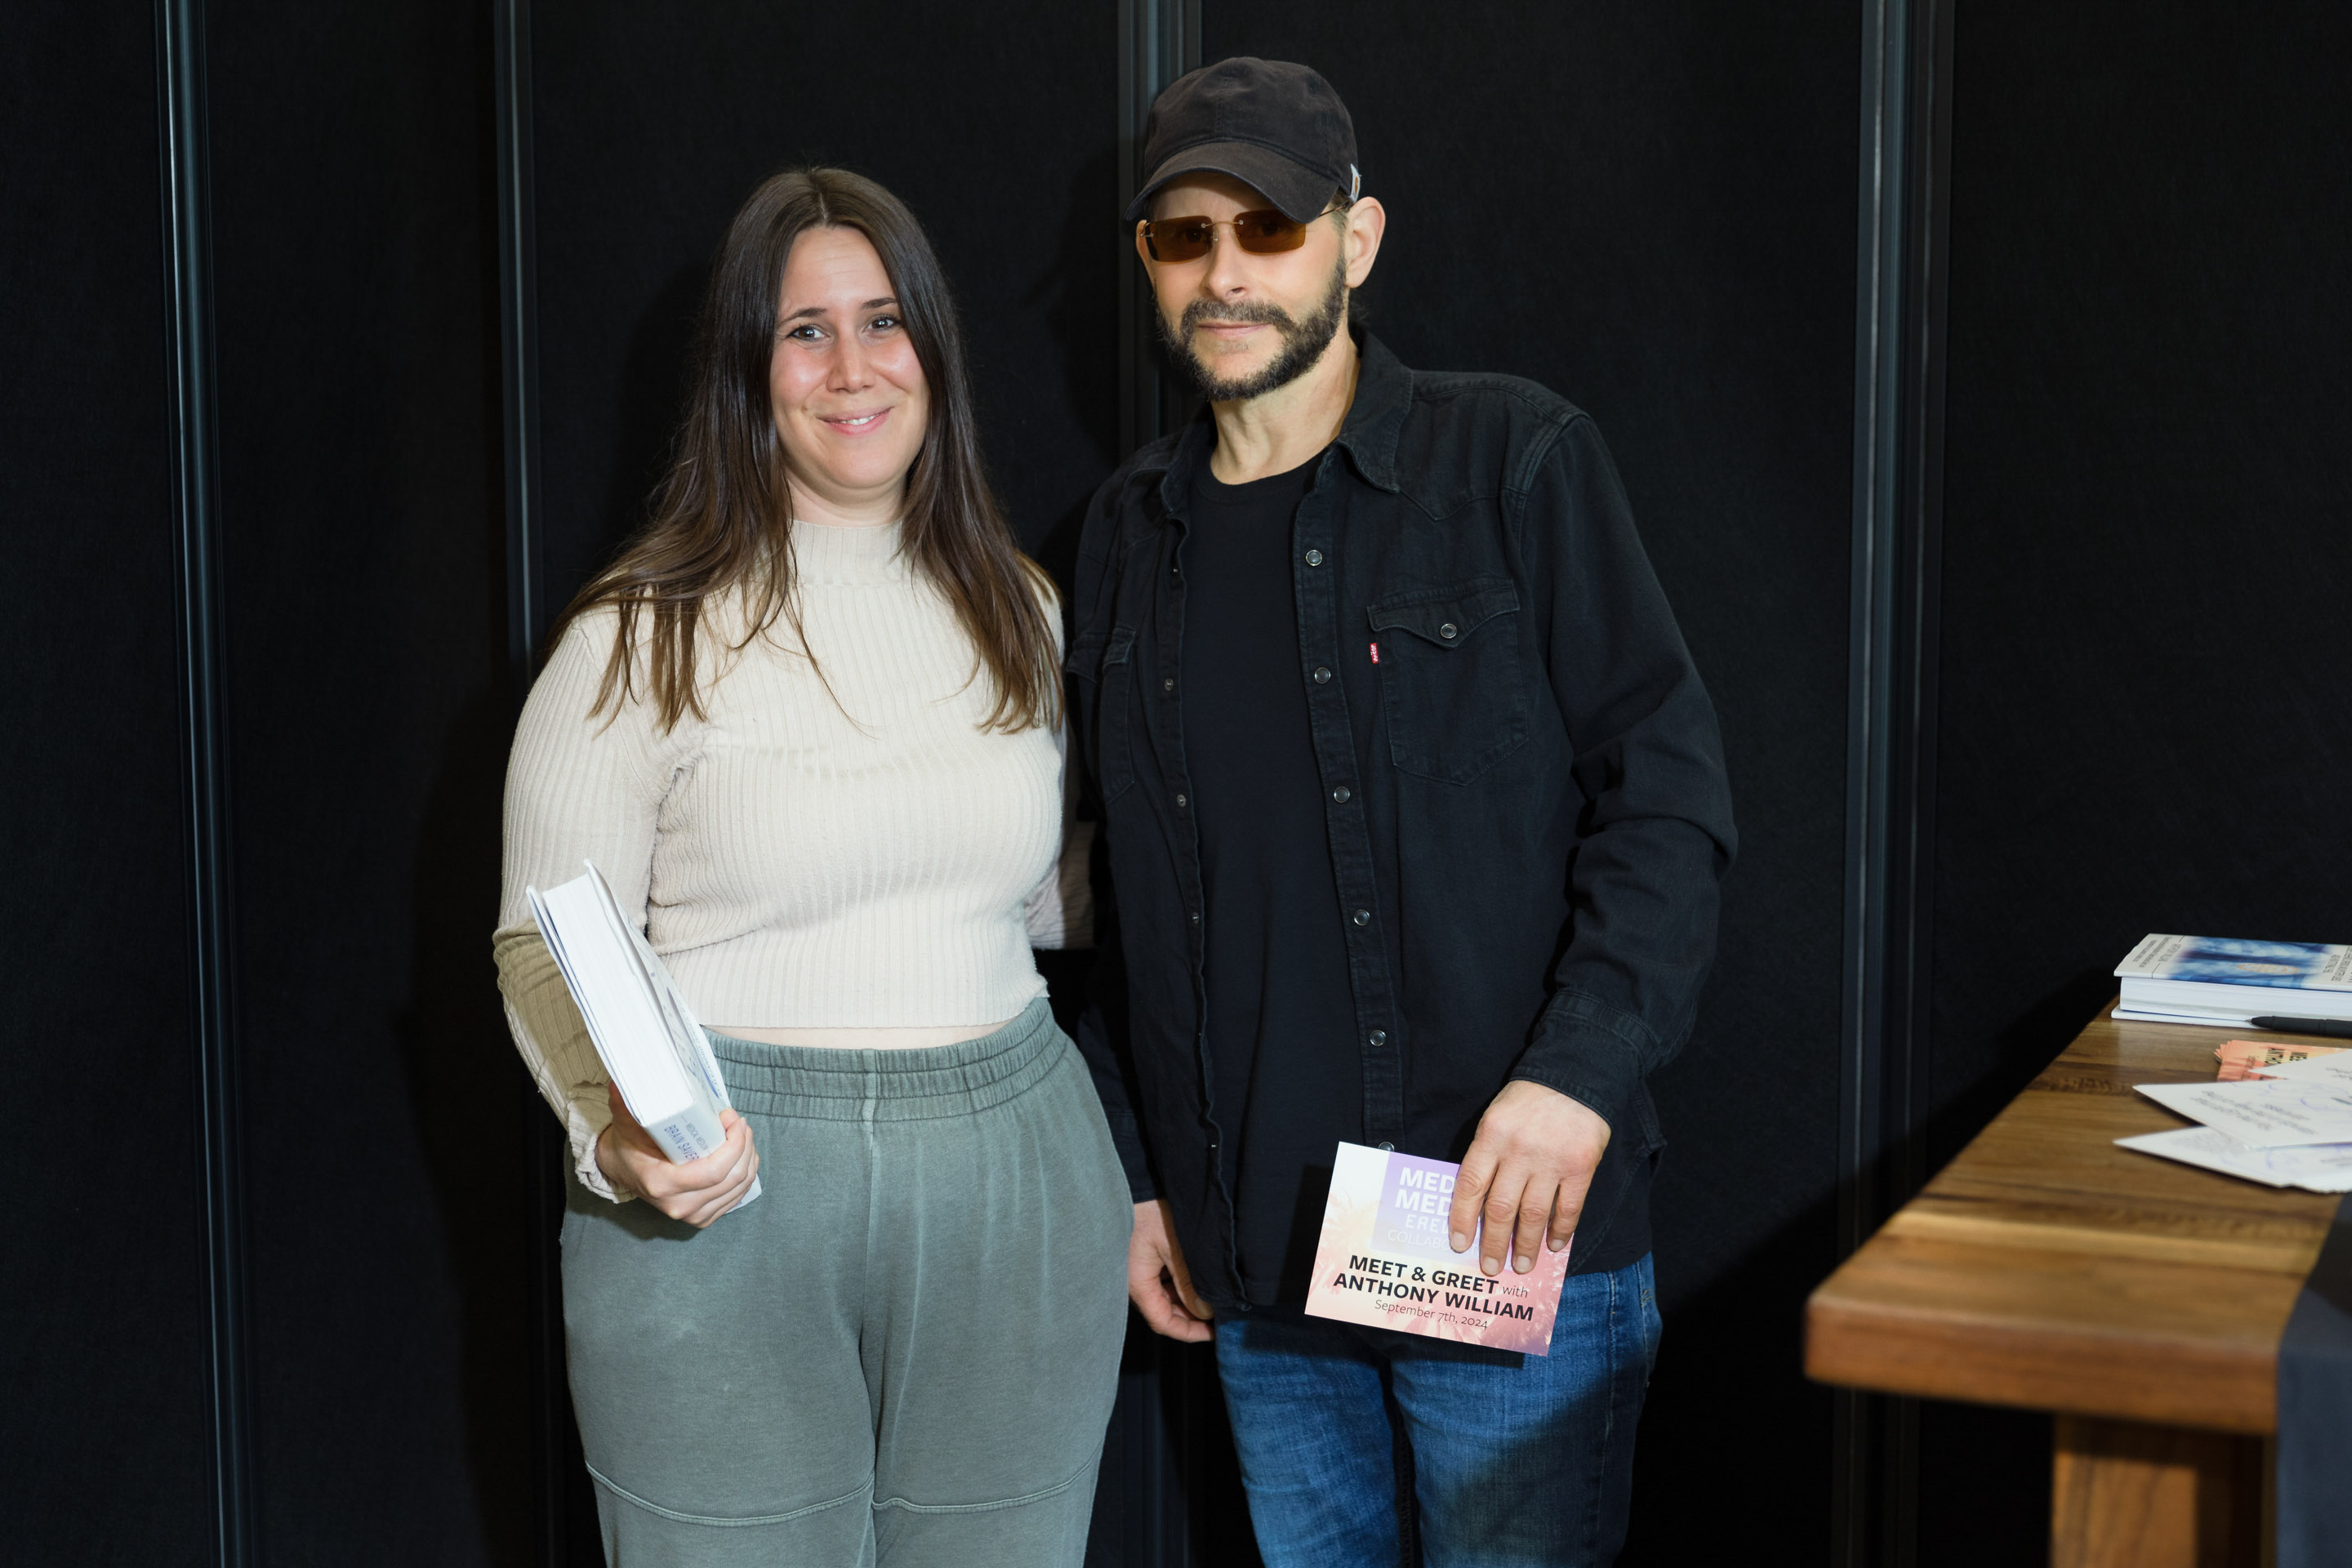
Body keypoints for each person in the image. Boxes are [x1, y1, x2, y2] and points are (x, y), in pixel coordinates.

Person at [1067, 58, 1737, 1566]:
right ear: (1148, 260)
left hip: (1496, 1248)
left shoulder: (1513, 462)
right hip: (1257, 1271)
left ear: (1356, 239)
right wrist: (1138, 1168)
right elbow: (1120, 898)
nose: (1226, 273)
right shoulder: (1123, 533)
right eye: (1185, 237)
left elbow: (1669, 802)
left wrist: (1579, 1077)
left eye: (1269, 227)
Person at [493, 167, 1130, 1567]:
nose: (853, 367)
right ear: (746, 369)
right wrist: (613, 1133)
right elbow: (543, 944)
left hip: (1016, 1168)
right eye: (804, 331)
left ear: (933, 349)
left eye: (884, 320)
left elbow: (1024, 898)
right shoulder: (637, 635)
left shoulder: (1019, 609)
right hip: (725, 1193)